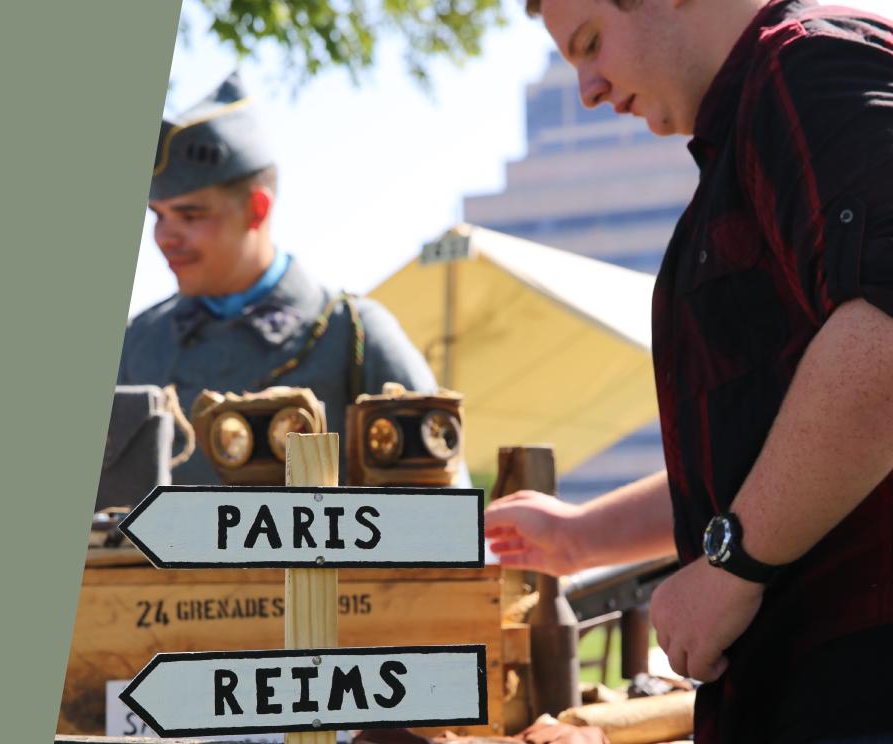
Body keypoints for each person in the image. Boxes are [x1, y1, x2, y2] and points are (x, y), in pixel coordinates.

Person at [484, 0, 893, 741]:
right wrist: (579, 537)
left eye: (591, 43)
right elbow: (776, 450)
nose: (588, 88)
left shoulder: (803, 72)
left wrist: (732, 564)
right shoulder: (764, 113)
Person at [118, 73, 448, 485]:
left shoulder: (352, 334)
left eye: (190, 215)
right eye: (158, 216)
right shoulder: (139, 345)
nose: (164, 237)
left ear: (256, 210)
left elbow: (441, 520)